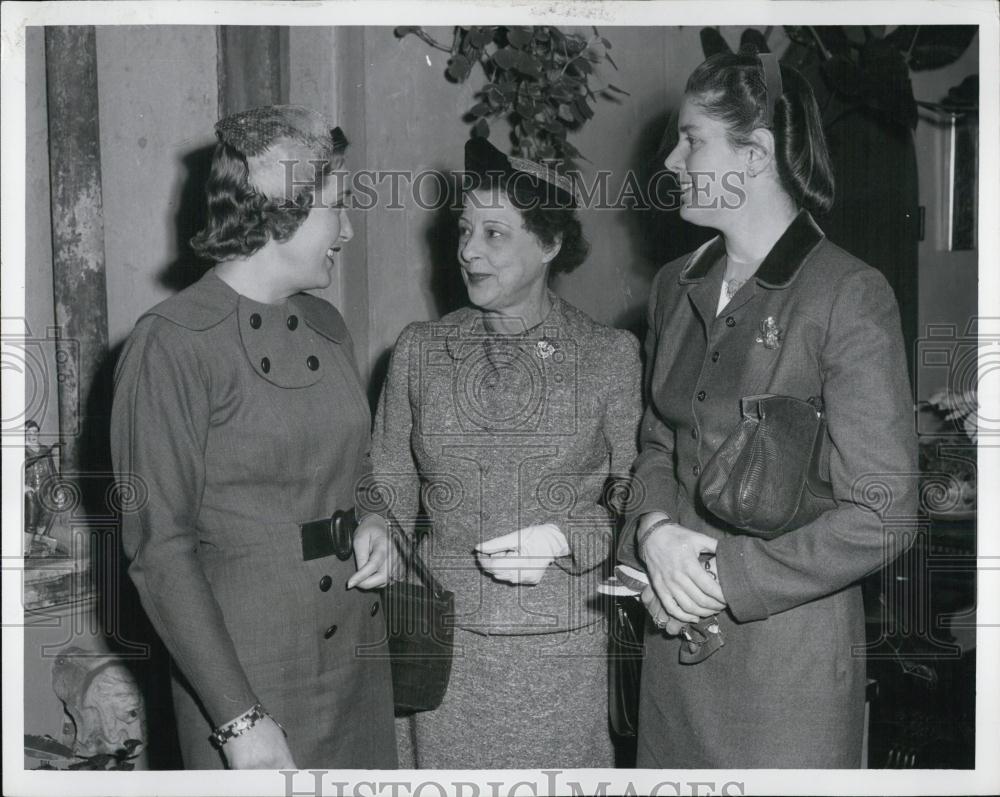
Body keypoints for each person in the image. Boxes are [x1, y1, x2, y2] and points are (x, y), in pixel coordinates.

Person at [619, 49, 918, 768]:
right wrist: (653, 528)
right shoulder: (674, 286)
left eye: (691, 139)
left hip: (786, 685)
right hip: (673, 672)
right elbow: (658, 444)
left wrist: (726, 575)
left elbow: (884, 514)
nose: (669, 160)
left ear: (755, 155)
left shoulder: (847, 294)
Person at [111, 105, 397, 770]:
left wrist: (374, 518)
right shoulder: (172, 345)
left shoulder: (327, 323)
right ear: (280, 214)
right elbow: (160, 551)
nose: (348, 230)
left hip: (355, 665)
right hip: (247, 681)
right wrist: (240, 719)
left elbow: (355, 468)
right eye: (336, 207)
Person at [371, 137, 642, 768]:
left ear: (548, 246)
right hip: (441, 651)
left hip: (558, 655)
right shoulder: (420, 350)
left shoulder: (607, 356)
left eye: (495, 233)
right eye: (465, 230)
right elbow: (385, 479)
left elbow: (637, 497)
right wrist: (375, 526)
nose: (468, 250)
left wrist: (567, 537)